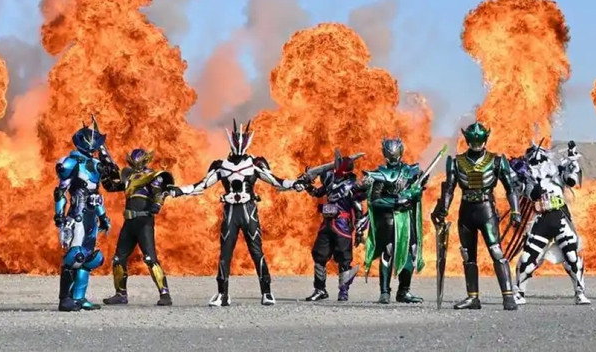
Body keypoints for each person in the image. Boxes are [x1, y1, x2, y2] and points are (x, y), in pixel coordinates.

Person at [170, 119, 304, 307]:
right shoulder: (221, 166)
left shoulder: (255, 163)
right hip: (231, 213)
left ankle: (267, 292)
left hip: (248, 212)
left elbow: (276, 181)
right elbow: (202, 184)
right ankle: (222, 294)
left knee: (256, 252)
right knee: (225, 254)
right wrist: (179, 190)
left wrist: (295, 184)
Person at [431, 122, 522, 311]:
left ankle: (508, 295)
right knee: (468, 255)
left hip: (486, 209)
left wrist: (515, 211)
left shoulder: (497, 160)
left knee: (496, 251)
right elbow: (449, 188)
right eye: (473, 141)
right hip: (466, 211)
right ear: (468, 141)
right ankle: (473, 297)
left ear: (485, 140)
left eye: (479, 141)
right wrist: (443, 209)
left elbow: (510, 187)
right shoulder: (456, 162)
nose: (477, 145)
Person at [508, 141, 589, 305]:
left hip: (560, 217)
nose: (537, 158)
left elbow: (571, 180)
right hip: (541, 219)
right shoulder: (526, 177)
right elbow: (525, 192)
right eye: (532, 156)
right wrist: (524, 179)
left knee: (571, 255)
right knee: (527, 258)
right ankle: (519, 292)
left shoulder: (557, 171)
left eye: (540, 156)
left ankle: (580, 292)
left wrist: (572, 159)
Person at [100, 148, 175, 306]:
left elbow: (158, 193)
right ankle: (120, 294)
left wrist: (157, 204)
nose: (136, 164)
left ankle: (165, 294)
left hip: (144, 222)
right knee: (118, 259)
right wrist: (104, 174)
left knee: (150, 258)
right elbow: (111, 187)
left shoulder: (153, 176)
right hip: (129, 223)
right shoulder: (129, 176)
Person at [54, 118, 114, 311]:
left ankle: (79, 298)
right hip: (77, 215)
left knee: (89, 258)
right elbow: (61, 192)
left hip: (91, 216)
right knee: (75, 257)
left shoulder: (95, 164)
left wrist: (103, 217)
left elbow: (97, 195)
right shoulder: (71, 162)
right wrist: (59, 216)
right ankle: (65, 299)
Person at [363, 139, 427, 304]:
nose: (393, 157)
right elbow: (375, 200)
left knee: (411, 251)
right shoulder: (380, 174)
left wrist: (416, 191)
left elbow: (415, 194)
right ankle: (385, 292)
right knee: (388, 251)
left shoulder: (410, 171)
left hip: (406, 218)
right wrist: (396, 201)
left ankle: (404, 291)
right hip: (389, 219)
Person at [298, 151, 366, 302]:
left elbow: (358, 208)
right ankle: (320, 290)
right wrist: (306, 185)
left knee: (344, 259)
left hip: (343, 226)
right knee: (319, 256)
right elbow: (317, 193)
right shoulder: (330, 181)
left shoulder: (353, 185)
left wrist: (360, 230)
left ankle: (343, 291)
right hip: (327, 225)